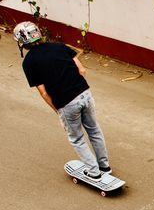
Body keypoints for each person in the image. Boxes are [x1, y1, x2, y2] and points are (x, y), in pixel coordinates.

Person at [13, 21, 113, 179]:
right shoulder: (58, 46)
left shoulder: (29, 62)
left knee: (76, 138)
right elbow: (82, 70)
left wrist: (58, 110)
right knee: (94, 130)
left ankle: (94, 172)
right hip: (85, 93)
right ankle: (104, 167)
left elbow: (44, 93)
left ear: (22, 41)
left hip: (66, 103)